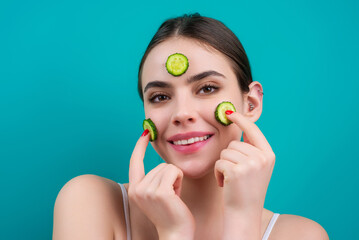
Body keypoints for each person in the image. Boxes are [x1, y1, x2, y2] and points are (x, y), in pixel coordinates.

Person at [52, 13, 329, 240]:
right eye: (160, 97)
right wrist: (174, 233)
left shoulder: (301, 234)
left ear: (251, 104)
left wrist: (242, 221)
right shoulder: (90, 202)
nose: (182, 114)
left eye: (207, 88)